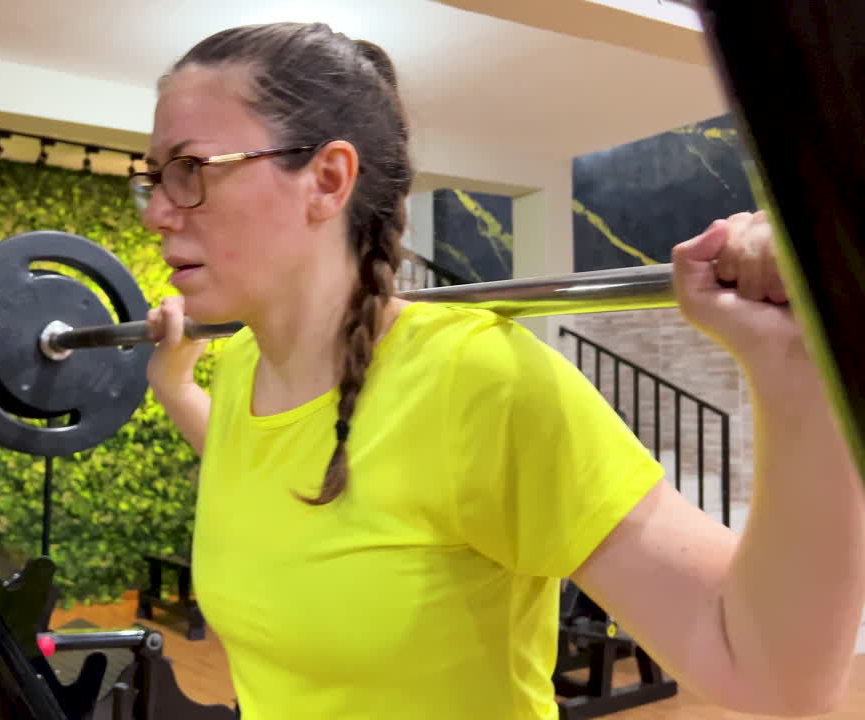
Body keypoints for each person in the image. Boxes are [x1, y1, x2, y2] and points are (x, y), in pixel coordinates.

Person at [131, 21, 865, 720]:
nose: (157, 212)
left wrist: (798, 368)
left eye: (190, 170)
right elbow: (277, 484)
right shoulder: (244, 366)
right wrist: (175, 386)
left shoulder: (476, 382)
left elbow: (772, 668)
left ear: (327, 179)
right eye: (155, 176)